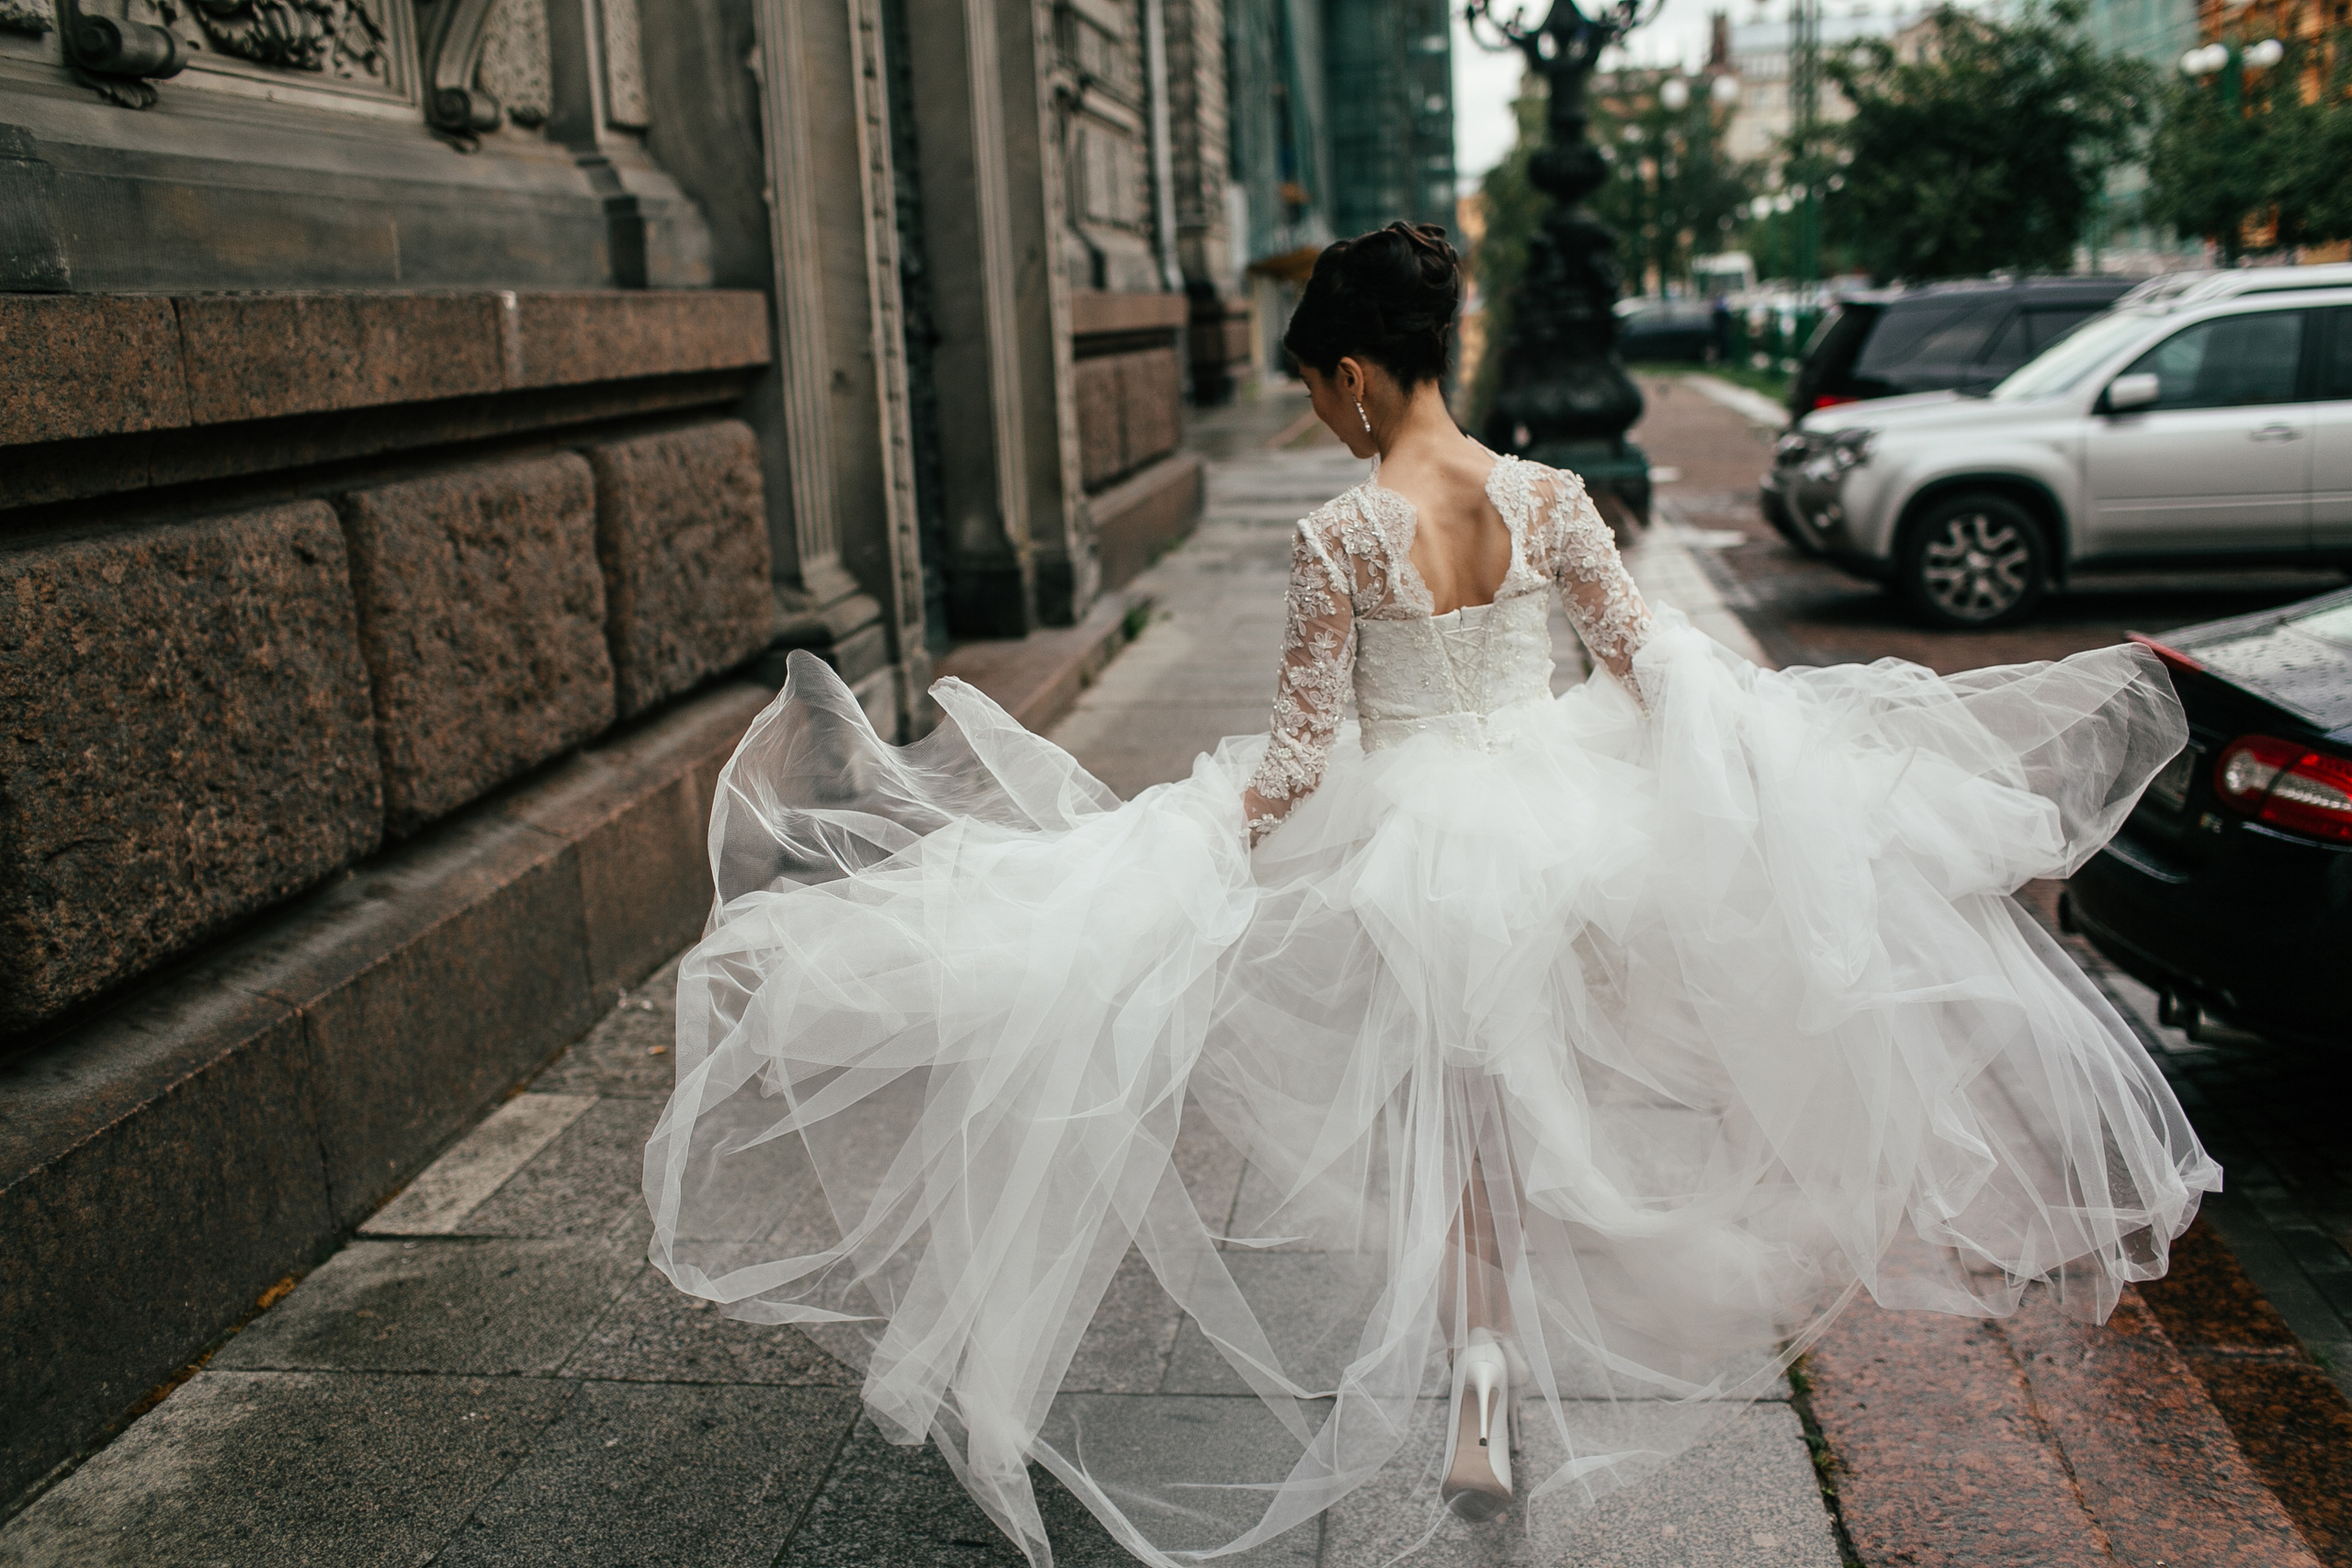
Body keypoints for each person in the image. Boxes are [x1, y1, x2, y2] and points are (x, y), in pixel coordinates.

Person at [644, 222, 2216, 1565]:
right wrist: (1758, 775)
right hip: (1558, 820)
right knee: (1539, 1109)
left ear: (1350, 377)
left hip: (1412, 850)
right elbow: (1646, 661)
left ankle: (1473, 1390)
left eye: (1320, 392)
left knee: (1455, 1123)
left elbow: (1306, 755)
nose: (1327, 421)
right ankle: (1500, 1370)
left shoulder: (1344, 532)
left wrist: (1190, 836)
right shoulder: (1546, 498)